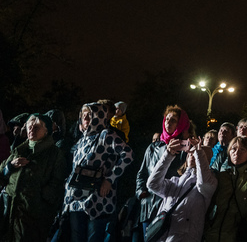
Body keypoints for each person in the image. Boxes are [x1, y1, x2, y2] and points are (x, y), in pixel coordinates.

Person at [62, 102, 134, 242]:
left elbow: (128, 154)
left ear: (99, 117)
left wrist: (109, 179)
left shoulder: (106, 135)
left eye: (90, 115)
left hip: (97, 200)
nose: (86, 119)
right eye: (84, 116)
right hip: (75, 201)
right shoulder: (81, 141)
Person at [0, 114, 70, 242]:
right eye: (29, 126)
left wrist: (39, 199)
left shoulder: (54, 154)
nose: (32, 129)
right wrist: (9, 167)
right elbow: (1, 173)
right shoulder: (19, 150)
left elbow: (57, 184)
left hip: (34, 216)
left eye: (37, 126)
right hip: (10, 212)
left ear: (46, 131)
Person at [145, 136, 217, 242]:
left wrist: (199, 151)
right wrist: (168, 155)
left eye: (198, 153)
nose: (193, 155)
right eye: (190, 153)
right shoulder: (175, 181)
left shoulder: (211, 182)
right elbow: (152, 184)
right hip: (161, 236)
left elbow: (203, 184)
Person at [135, 106, 190, 239]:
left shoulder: (185, 148)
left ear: (181, 124)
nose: (168, 123)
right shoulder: (153, 147)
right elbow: (142, 173)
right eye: (167, 119)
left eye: (174, 120)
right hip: (148, 204)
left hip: (168, 204)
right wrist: (141, 192)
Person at [205, 136, 247, 242]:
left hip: (238, 235)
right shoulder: (222, 175)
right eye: (233, 149)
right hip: (213, 234)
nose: (237, 153)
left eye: (242, 149)